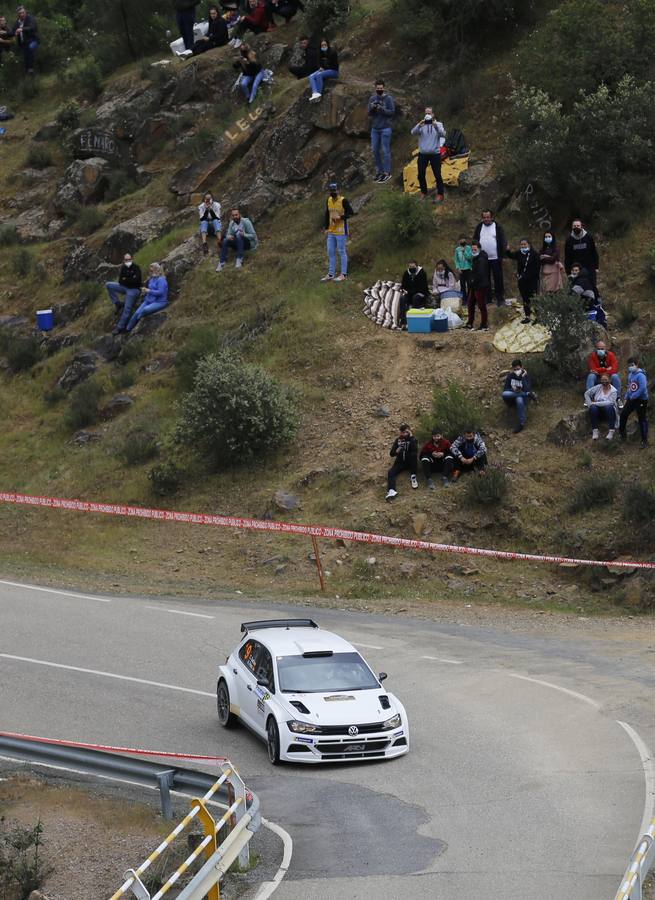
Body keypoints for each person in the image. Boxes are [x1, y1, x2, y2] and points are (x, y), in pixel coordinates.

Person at [472, 210, 507, 306]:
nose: (486, 219)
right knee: (484, 279)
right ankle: (488, 298)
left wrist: (503, 256)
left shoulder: (497, 227)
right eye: (484, 217)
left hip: (496, 257)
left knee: (498, 278)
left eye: (488, 217)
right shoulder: (479, 227)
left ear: (492, 217)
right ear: (482, 218)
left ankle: (500, 298)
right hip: (482, 258)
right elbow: (475, 240)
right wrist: (475, 253)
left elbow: (503, 241)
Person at [410, 107, 446, 202]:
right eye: (426, 113)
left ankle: (440, 194)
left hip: (435, 154)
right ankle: (423, 192)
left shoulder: (438, 124)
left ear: (433, 114)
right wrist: (419, 124)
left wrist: (435, 126)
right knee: (421, 174)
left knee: (437, 174)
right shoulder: (422, 125)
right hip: (423, 154)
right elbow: (412, 132)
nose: (428, 115)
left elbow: (443, 134)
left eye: (429, 113)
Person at [321, 182, 353, 283]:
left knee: (341, 251)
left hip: (341, 230)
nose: (333, 192)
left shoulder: (343, 200)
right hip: (331, 230)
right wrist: (326, 227)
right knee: (330, 251)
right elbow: (327, 213)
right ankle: (331, 274)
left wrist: (340, 217)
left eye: (334, 190)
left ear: (338, 190)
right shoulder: (329, 200)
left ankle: (343, 274)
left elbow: (351, 213)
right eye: (331, 191)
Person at [106, 253, 143, 336]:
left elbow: (137, 281)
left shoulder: (136, 268)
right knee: (109, 285)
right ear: (124, 260)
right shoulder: (123, 267)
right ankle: (117, 303)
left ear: (132, 259)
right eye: (126, 260)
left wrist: (126, 279)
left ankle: (119, 327)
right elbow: (120, 281)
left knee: (127, 308)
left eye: (129, 259)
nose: (128, 261)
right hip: (125, 287)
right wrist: (130, 279)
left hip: (134, 290)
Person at [125, 262, 168, 333]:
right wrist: (144, 291)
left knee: (144, 310)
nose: (150, 272)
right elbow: (149, 290)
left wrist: (149, 291)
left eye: (152, 270)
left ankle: (139, 319)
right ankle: (127, 329)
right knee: (135, 314)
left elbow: (161, 292)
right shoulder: (152, 279)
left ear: (157, 270)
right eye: (150, 270)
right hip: (148, 300)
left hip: (159, 302)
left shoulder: (161, 280)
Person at [506, 238, 540, 324]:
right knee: (525, 298)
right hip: (522, 281)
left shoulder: (534, 254)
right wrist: (507, 250)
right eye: (521, 244)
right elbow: (511, 255)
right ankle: (527, 316)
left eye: (525, 244)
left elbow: (537, 268)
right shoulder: (519, 253)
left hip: (532, 280)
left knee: (534, 298)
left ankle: (538, 316)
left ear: (529, 244)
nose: (523, 246)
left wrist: (529, 276)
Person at [368, 79, 395, 184]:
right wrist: (373, 108)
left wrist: (382, 109)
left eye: (381, 88)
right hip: (375, 128)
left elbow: (392, 112)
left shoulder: (388, 99)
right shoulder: (372, 98)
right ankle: (380, 171)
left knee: (385, 150)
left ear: (384, 88)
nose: (379, 89)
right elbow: (369, 113)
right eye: (377, 88)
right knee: (375, 150)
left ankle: (387, 172)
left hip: (385, 128)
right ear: (375, 88)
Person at [619, 357, 649, 448]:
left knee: (641, 418)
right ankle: (622, 434)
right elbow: (629, 387)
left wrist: (633, 396)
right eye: (629, 366)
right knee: (623, 414)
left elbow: (642, 389)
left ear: (636, 364)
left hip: (641, 400)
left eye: (632, 365)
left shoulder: (641, 375)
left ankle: (644, 440)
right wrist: (626, 397)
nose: (630, 367)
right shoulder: (630, 375)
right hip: (631, 399)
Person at [502, 359, 536, 433]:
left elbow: (528, 388)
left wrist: (522, 377)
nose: (516, 371)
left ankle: (521, 423)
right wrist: (513, 389)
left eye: (518, 369)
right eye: (515, 369)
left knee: (519, 399)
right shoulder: (510, 376)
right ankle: (528, 395)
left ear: (522, 367)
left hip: (522, 397)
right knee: (504, 394)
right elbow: (506, 389)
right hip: (512, 396)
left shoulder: (525, 376)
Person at [386, 424, 418, 500]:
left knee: (414, 457)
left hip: (410, 462)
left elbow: (415, 451)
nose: (404, 434)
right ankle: (392, 490)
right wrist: (397, 451)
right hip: (400, 462)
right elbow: (391, 453)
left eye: (406, 432)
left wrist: (411, 438)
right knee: (391, 472)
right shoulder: (398, 440)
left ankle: (413, 476)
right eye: (402, 432)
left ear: (409, 431)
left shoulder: (413, 439)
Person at [584, 374, 618, 441]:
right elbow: (586, 393)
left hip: (609, 412)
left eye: (605, 380)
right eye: (602, 380)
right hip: (598, 411)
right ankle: (595, 430)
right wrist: (590, 404)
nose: (604, 381)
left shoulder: (614, 391)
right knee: (593, 407)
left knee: (609, 407)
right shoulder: (598, 387)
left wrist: (596, 403)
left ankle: (611, 431)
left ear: (609, 380)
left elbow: (610, 402)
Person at [565, 219, 599, 284]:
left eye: (578, 225)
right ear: (572, 227)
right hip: (575, 269)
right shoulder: (569, 240)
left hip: (589, 267)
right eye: (574, 226)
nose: (576, 227)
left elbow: (594, 252)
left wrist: (596, 266)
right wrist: (568, 272)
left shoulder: (588, 237)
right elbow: (567, 257)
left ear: (581, 226)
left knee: (591, 286)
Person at [465, 241, 489, 331]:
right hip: (474, 285)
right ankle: (470, 322)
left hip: (480, 285)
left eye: (475, 249)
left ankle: (484, 324)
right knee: (470, 303)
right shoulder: (476, 258)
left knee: (481, 305)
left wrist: (472, 281)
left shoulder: (481, 259)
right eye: (472, 249)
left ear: (479, 249)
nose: (473, 251)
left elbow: (480, 274)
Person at [399, 260, 429, 326]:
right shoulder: (406, 273)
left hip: (421, 292)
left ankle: (414, 320)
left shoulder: (421, 272)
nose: (411, 268)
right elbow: (403, 285)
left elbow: (423, 287)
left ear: (416, 266)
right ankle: (403, 320)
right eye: (410, 266)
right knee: (402, 298)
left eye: (413, 266)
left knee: (415, 297)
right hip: (409, 293)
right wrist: (404, 290)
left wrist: (410, 291)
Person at [308, 38, 338, 103]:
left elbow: (335, 66)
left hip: (334, 71)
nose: (324, 46)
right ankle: (315, 93)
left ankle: (319, 94)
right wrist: (320, 68)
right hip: (324, 70)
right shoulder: (320, 53)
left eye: (325, 45)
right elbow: (318, 63)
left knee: (319, 75)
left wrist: (324, 69)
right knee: (311, 76)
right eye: (322, 45)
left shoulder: (332, 52)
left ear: (327, 45)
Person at [10, 6, 38, 73]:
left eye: (23, 12)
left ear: (25, 12)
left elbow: (32, 27)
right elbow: (13, 31)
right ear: (18, 14)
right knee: (26, 59)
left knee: (30, 48)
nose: (21, 14)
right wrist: (5, 33)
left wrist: (22, 29)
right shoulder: (17, 22)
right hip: (23, 43)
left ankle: (31, 68)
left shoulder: (31, 19)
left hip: (33, 40)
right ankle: (28, 73)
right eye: (20, 13)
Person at [454, 235, 473, 299]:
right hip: (461, 270)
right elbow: (456, 260)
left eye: (463, 239)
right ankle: (464, 299)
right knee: (462, 285)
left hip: (468, 269)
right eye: (461, 240)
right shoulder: (457, 249)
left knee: (469, 284)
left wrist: (464, 251)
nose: (462, 241)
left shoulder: (469, 248)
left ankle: (470, 298)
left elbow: (469, 258)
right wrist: (458, 268)